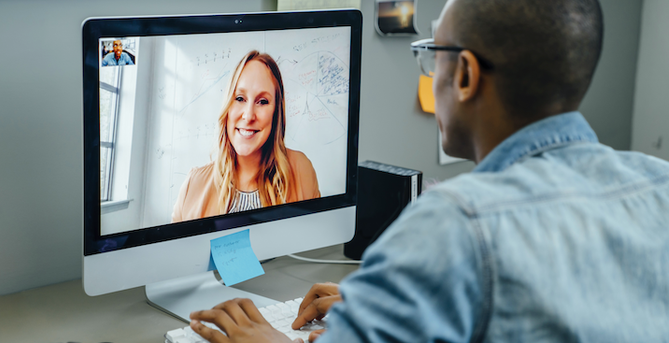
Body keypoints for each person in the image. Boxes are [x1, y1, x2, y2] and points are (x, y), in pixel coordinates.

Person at [188, 0, 669, 342]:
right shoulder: (660, 186)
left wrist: (264, 341)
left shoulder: (454, 224)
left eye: (432, 55)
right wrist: (393, 304)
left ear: (464, 76)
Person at [172, 51, 320, 221]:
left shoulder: (301, 170)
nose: (248, 116)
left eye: (262, 101)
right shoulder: (193, 185)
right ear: (228, 106)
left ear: (276, 113)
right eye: (240, 98)